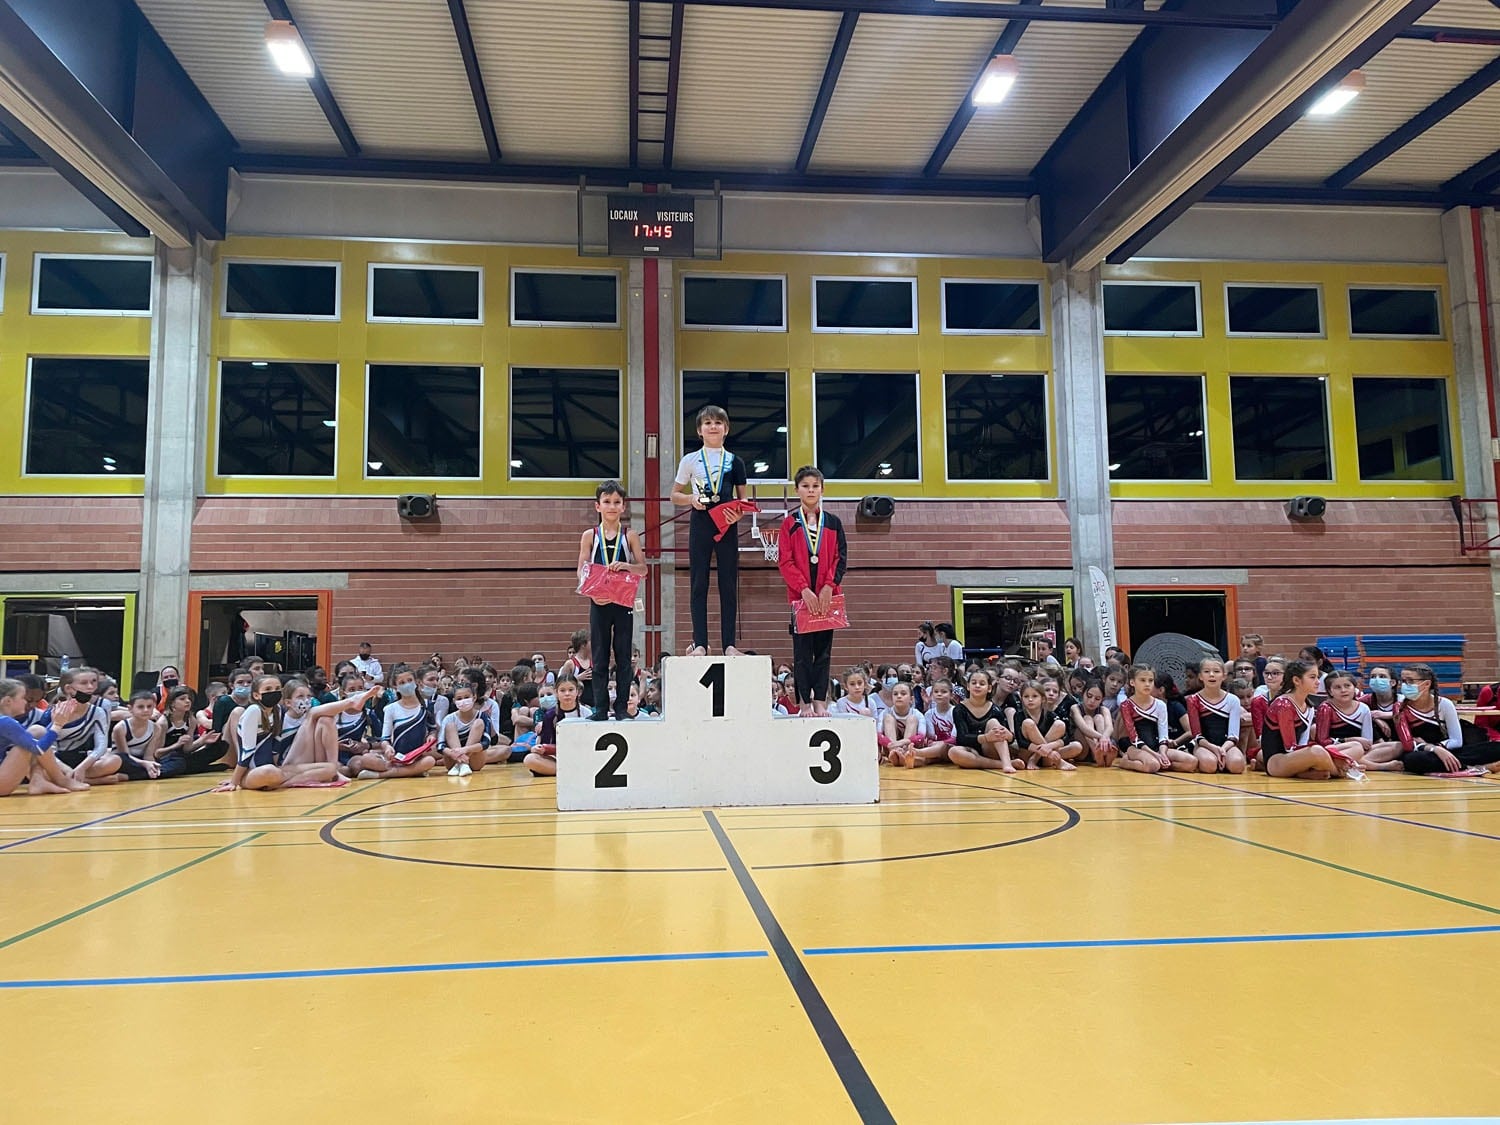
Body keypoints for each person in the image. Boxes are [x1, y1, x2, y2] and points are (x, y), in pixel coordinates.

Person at [671, 404, 749, 656]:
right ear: (699, 430)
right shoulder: (690, 460)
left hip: (727, 524)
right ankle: (701, 644)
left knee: (728, 584)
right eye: (708, 423)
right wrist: (691, 499)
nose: (713, 426)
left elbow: (743, 500)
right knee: (698, 583)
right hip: (701, 523)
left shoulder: (735, 462)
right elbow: (674, 495)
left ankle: (729, 645)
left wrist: (739, 513)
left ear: (726, 429)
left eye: (718, 422)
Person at [777, 465, 848, 717]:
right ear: (797, 490)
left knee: (824, 652)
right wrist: (804, 589)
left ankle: (820, 700)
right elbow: (785, 561)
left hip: (828, 598)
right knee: (802, 653)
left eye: (815, 486)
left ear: (822, 490)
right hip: (801, 599)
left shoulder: (834, 523)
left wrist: (828, 586)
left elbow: (840, 558)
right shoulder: (789, 524)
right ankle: (804, 702)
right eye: (805, 486)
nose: (810, 490)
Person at [578, 480, 648, 722]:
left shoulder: (630, 536)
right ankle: (599, 708)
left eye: (617, 502)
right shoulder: (590, 535)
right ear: (597, 506)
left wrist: (627, 566)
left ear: (623, 506)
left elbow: (643, 569)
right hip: (598, 602)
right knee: (599, 656)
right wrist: (591, 592)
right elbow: (582, 570)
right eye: (607, 502)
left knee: (623, 655)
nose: (612, 506)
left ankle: (621, 708)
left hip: (623, 602)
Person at [1388, 663, 1500, 775]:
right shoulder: (1399, 707)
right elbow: (1408, 745)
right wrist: (1433, 749)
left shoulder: (1445, 704)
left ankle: (1459, 764)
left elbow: (1456, 741)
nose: (1404, 685)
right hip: (1423, 751)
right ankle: (1474, 767)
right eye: (1403, 681)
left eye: (1410, 681)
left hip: (1450, 749)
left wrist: (1440, 748)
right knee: (1413, 760)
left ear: (1426, 684)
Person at [1260, 660, 1349, 780]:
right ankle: (1341, 772)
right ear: (1297, 680)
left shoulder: (1308, 706)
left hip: (1296, 757)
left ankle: (1306, 772)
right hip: (1277, 762)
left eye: (1318, 677)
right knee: (1318, 751)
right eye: (1312, 677)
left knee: (1354, 747)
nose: (1318, 682)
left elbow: (1303, 743)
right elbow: (1290, 748)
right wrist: (1334, 757)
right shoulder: (1284, 704)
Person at [0, 681, 87, 796]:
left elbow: (38, 738)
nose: (25, 702)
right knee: (32, 741)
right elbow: (39, 749)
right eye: (23, 698)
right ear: (8, 701)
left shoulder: (4, 721)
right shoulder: (5, 722)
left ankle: (38, 781)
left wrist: (56, 722)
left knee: (37, 731)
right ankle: (61, 780)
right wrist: (58, 725)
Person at [1184, 658, 1246, 775]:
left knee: (1237, 765)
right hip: (1204, 744)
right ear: (1200, 676)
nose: (1211, 675)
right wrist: (1213, 748)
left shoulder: (1233, 700)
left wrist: (1222, 749)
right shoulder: (1193, 700)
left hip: (1227, 744)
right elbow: (1197, 735)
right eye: (1207, 671)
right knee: (1209, 765)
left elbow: (1233, 735)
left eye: (1216, 671)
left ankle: (1225, 761)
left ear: (1224, 676)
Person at [949, 669, 1016, 773]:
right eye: (974, 683)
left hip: (991, 750)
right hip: (972, 752)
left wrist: (1009, 736)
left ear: (989, 688)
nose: (977, 686)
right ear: (968, 686)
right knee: (953, 752)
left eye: (982, 683)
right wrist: (986, 737)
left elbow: (1007, 738)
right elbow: (962, 739)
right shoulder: (959, 709)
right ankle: (1001, 764)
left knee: (993, 722)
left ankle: (1007, 763)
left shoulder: (995, 710)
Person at [524, 675, 590, 777]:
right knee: (530, 759)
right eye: (562, 690)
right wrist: (539, 749)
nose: (567, 694)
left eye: (571, 690)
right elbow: (547, 744)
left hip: (583, 756)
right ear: (556, 693)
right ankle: (571, 771)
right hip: (559, 758)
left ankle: (567, 771)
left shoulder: (586, 713)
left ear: (578, 692)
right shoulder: (550, 715)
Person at [1116, 665, 1176, 774]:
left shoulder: (1160, 705)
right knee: (1153, 765)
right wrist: (1156, 755)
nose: (1147, 684)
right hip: (1133, 746)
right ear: (1132, 682)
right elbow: (1133, 738)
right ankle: (1126, 763)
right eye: (1142, 680)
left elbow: (1163, 735)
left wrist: (1162, 753)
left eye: (1150, 680)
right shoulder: (1126, 705)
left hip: (1155, 745)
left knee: (1190, 762)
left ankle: (1159, 762)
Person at [1013, 680, 1080, 770]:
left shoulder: (1050, 715)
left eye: (1034, 696)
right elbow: (1021, 742)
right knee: (1028, 723)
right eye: (1026, 696)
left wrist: (1048, 747)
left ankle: (1034, 759)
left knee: (1061, 726)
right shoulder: (1018, 715)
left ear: (1043, 699)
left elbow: (1066, 738)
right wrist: (1050, 752)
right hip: (1027, 755)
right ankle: (1059, 762)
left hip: (1045, 759)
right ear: (1021, 699)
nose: (1030, 699)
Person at [1315, 671, 1375, 764]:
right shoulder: (1326, 708)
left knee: (1395, 747)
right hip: (1334, 749)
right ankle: (1372, 765)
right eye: (1337, 687)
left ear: (1354, 688)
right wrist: (1349, 740)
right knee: (1356, 747)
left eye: (1347, 686)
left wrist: (1364, 745)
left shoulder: (1363, 708)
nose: (1343, 690)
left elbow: (1368, 742)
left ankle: (1351, 762)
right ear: (1330, 691)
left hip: (1359, 750)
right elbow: (1322, 742)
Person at [880, 681, 926, 767]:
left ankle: (904, 753)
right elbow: (878, 735)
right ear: (891, 698)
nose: (899, 696)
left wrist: (902, 742)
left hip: (909, 749)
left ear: (911, 699)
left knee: (912, 718)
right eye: (895, 694)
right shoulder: (885, 713)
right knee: (888, 718)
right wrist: (890, 745)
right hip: (891, 748)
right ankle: (894, 753)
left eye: (903, 694)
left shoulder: (917, 714)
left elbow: (921, 737)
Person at [1070, 679, 1115, 766]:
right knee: (1087, 718)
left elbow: (1110, 727)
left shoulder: (1104, 709)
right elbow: (1084, 728)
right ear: (1083, 693)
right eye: (1089, 696)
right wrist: (1102, 737)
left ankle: (1102, 752)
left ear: (1102, 699)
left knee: (1099, 717)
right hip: (1082, 750)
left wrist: (1105, 737)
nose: (1092, 701)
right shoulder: (1075, 708)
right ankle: (1096, 752)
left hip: (1101, 745)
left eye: (1097, 699)